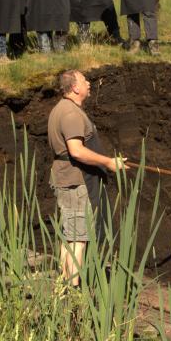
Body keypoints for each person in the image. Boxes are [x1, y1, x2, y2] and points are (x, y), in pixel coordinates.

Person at [48, 69, 127, 286]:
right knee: (78, 239)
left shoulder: (63, 109)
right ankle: (73, 291)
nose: (89, 83)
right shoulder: (71, 114)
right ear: (75, 87)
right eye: (85, 81)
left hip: (69, 180)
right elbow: (77, 151)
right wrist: (108, 162)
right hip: (76, 182)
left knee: (71, 235)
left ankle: (64, 284)